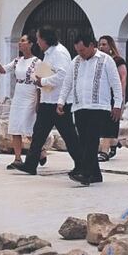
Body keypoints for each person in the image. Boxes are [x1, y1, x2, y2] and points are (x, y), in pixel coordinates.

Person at [14, 26, 82, 175]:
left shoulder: (59, 53)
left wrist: (43, 81)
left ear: (45, 39)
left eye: (38, 39)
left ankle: (81, 164)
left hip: (59, 102)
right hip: (47, 100)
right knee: (38, 134)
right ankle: (30, 164)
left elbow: (63, 76)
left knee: (69, 136)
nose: (37, 42)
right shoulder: (48, 53)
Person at [59, 32, 123, 186]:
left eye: (82, 50)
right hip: (80, 106)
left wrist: (117, 105)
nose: (80, 53)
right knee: (84, 141)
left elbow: (116, 83)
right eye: (77, 50)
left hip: (99, 106)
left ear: (91, 46)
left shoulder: (106, 60)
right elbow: (67, 82)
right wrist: (61, 101)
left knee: (91, 140)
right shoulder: (75, 62)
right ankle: (96, 174)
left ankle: (85, 173)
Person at [0, 33, 46, 169]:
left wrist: (38, 102)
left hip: (31, 95)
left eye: (23, 41)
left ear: (30, 44)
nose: (20, 43)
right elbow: (3, 70)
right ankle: (17, 159)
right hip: (18, 94)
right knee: (15, 127)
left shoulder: (38, 62)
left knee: (28, 127)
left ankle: (39, 150)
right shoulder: (17, 60)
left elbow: (43, 83)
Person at [97, 35, 127, 162]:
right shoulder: (99, 61)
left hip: (114, 97)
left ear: (110, 46)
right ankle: (114, 142)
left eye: (104, 44)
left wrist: (120, 100)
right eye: (100, 44)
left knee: (110, 123)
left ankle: (104, 151)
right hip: (102, 96)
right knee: (103, 123)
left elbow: (123, 79)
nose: (101, 47)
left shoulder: (118, 61)